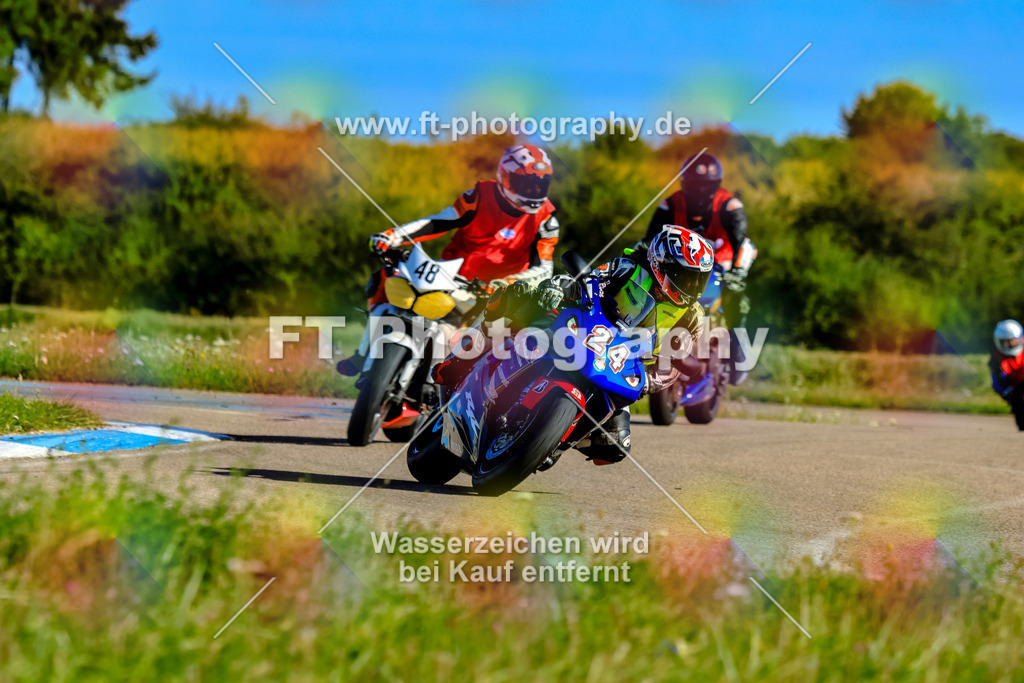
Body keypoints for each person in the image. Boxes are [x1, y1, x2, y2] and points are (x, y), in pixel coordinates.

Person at [433, 224, 712, 464]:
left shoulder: (693, 316)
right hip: (583, 328)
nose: (690, 286)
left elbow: (676, 362)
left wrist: (650, 382)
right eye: (684, 275)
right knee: (517, 297)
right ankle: (462, 359)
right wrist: (559, 287)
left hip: (621, 365)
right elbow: (591, 280)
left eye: (698, 280)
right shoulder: (628, 268)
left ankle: (552, 439)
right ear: (659, 263)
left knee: (615, 445)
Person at [337, 144, 560, 375]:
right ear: (505, 177)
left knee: (488, 350)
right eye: (526, 183)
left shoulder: (546, 220)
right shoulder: (479, 197)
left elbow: (543, 268)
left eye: (540, 184)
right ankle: (364, 353)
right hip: (452, 278)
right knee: (385, 276)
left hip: (501, 294)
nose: (533, 191)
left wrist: (508, 284)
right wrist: (391, 236)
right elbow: (438, 222)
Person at [642, 152, 756, 383]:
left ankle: (740, 355)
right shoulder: (670, 204)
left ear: (716, 184)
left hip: (720, 265)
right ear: (685, 182)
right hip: (678, 266)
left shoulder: (730, 205)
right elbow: (649, 240)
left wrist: (737, 271)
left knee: (738, 298)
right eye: (694, 185)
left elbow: (741, 241)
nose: (700, 191)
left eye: (706, 186)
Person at [989, 319, 1024, 431]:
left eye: (1012, 341)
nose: (1009, 345)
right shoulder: (996, 360)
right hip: (1017, 394)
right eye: (1006, 342)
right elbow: (997, 383)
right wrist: (1009, 393)